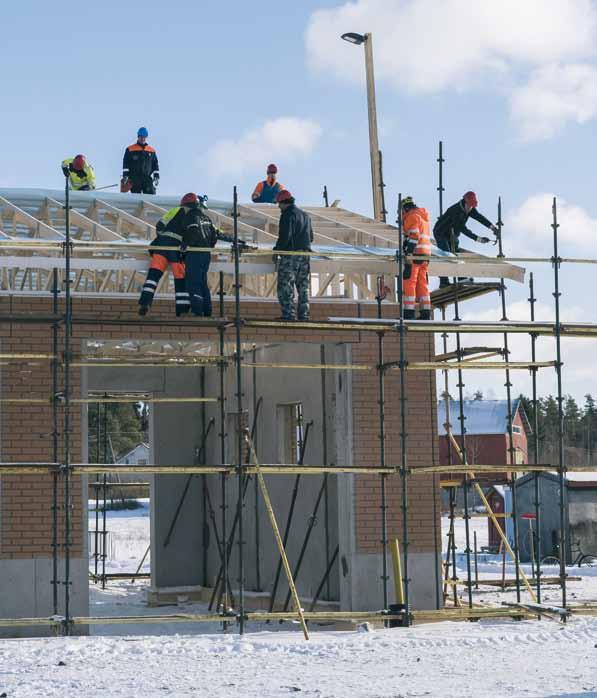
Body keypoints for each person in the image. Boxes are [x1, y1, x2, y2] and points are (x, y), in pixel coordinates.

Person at [180, 194, 239, 317]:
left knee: (193, 282)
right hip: (205, 254)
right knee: (202, 283)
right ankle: (207, 311)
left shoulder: (190, 216)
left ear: (187, 206)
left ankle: (197, 310)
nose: (183, 209)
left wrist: (185, 245)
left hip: (195, 253)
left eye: (184, 207)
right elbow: (214, 235)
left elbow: (192, 233)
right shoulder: (206, 218)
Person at [138, 196, 191, 317]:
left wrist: (163, 238)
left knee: (153, 275)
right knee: (180, 278)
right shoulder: (194, 215)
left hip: (161, 246)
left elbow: (160, 225)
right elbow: (195, 233)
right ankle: (182, 310)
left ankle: (145, 302)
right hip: (176, 250)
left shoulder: (175, 210)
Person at [433, 191, 498, 287]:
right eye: (469, 206)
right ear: (465, 202)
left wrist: (493, 228)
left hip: (452, 233)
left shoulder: (470, 208)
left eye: (472, 206)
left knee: (456, 254)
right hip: (441, 233)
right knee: (446, 255)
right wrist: (478, 239)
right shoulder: (456, 210)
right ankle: (444, 282)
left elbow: (480, 218)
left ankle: (461, 278)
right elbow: (462, 229)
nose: (470, 209)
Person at [273, 190, 313, 321]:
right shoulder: (305, 216)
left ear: (284, 203)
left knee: (285, 284)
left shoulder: (287, 215)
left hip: (291, 255)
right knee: (303, 286)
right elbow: (311, 237)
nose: (278, 207)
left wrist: (277, 250)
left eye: (279, 204)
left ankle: (288, 315)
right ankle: (304, 315)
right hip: (305, 255)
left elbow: (285, 236)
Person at [401, 196, 432, 320]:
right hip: (425, 255)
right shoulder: (423, 218)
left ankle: (409, 313)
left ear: (405, 208)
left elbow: (414, 235)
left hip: (415, 253)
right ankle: (425, 313)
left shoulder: (411, 216)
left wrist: (408, 253)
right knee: (422, 284)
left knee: (410, 283)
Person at [122, 127, 159, 194]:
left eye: (144, 137)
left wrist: (156, 176)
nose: (142, 138)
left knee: (150, 196)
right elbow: (126, 163)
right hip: (134, 179)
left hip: (147, 178)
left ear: (146, 137)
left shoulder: (151, 151)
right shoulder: (130, 149)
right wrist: (125, 176)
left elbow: (155, 164)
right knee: (136, 198)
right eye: (141, 137)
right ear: (138, 137)